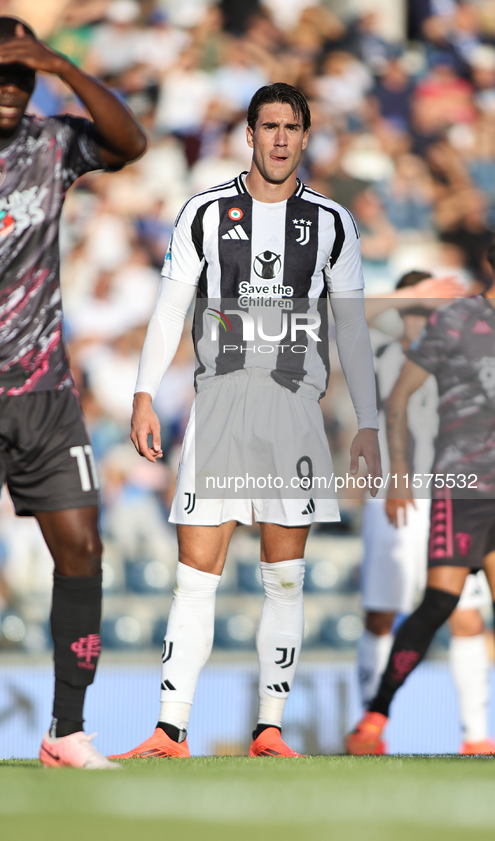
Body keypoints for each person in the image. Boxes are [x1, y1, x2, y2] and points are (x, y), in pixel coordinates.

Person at [0, 15, 146, 771]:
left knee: (82, 553)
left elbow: (129, 143)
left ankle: (67, 730)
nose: (11, 90)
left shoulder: (50, 142)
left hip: (46, 393)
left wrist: (66, 66)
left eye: (24, 76)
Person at [113, 82, 381, 759]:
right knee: (194, 573)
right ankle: (170, 730)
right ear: (249, 134)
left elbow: (351, 331)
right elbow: (170, 307)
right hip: (222, 404)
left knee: (283, 576)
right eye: (269, 126)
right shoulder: (204, 213)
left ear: (305, 136)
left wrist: (369, 422)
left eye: (292, 126)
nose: (280, 138)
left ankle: (269, 727)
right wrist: (144, 393)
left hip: (293, 409)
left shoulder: (331, 223)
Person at [347, 246, 495, 755]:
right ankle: (370, 718)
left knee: (467, 617)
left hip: (465, 491)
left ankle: (476, 734)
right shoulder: (386, 350)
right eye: (416, 307)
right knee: (392, 611)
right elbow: (343, 311)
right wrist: (396, 477)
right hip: (412, 495)